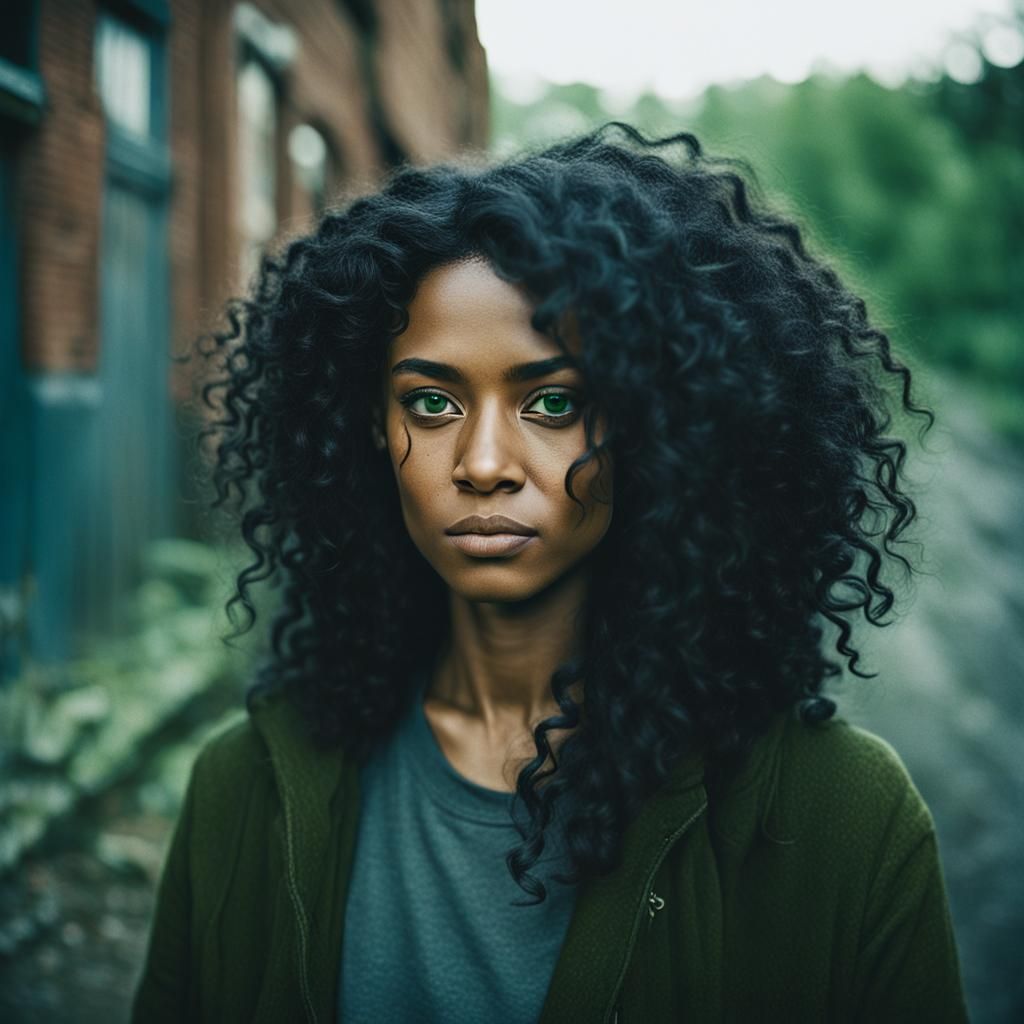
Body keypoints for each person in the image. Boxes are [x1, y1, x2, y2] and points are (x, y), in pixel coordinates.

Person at [131, 123, 969, 1023]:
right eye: (433, 401)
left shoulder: (841, 822)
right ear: (370, 426)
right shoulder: (247, 788)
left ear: (654, 423)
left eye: (553, 401)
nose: (484, 461)